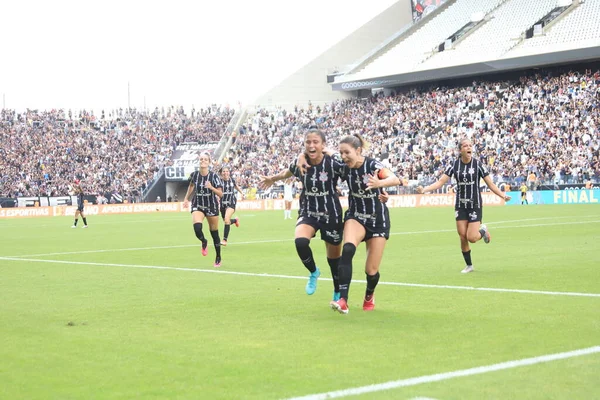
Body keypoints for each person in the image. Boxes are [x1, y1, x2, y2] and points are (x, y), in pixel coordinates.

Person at [259, 128, 346, 301]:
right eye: (308, 142)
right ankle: (314, 272)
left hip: (332, 213)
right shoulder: (300, 162)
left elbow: (351, 168)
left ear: (323, 145)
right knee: (300, 241)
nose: (311, 145)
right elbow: (287, 173)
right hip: (309, 211)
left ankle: (337, 291)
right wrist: (272, 179)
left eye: (316, 142)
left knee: (334, 260)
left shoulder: (333, 162)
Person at [328, 134, 401, 315]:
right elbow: (324, 152)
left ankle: (369, 294)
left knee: (371, 270)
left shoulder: (373, 166)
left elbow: (395, 179)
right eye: (341, 153)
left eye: (347, 153)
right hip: (356, 216)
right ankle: (343, 300)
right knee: (348, 249)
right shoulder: (344, 167)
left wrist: (380, 183)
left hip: (378, 220)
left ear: (358, 150)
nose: (344, 157)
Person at [417, 138, 511, 274]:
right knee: (462, 236)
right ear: (460, 150)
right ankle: (469, 265)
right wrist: (424, 190)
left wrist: (502, 195)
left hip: (474, 204)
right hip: (460, 204)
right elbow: (440, 182)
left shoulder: (478, 165)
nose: (469, 148)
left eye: (470, 145)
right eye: (465, 146)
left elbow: (490, 184)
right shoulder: (454, 165)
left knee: (471, 237)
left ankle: (483, 231)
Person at [183, 152, 224, 268]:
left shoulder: (214, 176)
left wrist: (211, 187)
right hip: (198, 204)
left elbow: (221, 194)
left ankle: (218, 256)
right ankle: (204, 241)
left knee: (214, 233)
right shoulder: (194, 175)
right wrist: (186, 198)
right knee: (197, 228)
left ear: (209, 162)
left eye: (205, 159)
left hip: (211, 206)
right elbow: (191, 185)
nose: (203, 161)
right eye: (201, 159)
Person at [218, 165, 244, 246]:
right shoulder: (218, 181)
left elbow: (236, 187)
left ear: (229, 172)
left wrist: (242, 193)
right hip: (223, 204)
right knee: (226, 221)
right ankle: (235, 220)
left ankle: (224, 240)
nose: (225, 173)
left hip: (231, 202)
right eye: (224, 171)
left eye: (227, 171)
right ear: (221, 173)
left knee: (226, 219)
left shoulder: (232, 180)